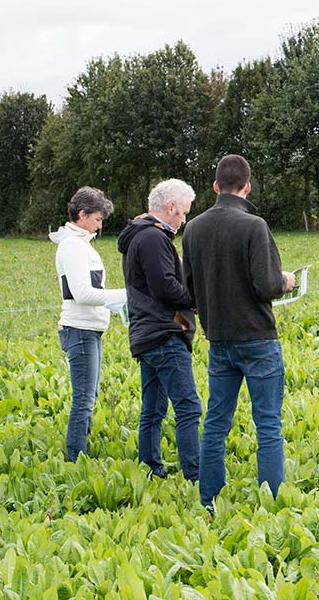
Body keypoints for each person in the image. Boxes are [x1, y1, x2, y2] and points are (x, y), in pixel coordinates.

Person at [182, 154, 296, 507]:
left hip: (219, 340)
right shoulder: (254, 226)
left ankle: (209, 499)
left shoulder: (193, 228)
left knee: (216, 421)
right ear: (247, 187)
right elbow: (266, 285)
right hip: (258, 338)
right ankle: (272, 501)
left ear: (215, 186)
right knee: (267, 424)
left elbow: (188, 290)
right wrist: (286, 281)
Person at [117, 179, 201, 481]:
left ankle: (150, 468)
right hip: (164, 333)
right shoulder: (153, 238)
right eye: (183, 214)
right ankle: (195, 474)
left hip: (146, 334)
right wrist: (195, 302)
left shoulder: (138, 236)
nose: (184, 221)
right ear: (170, 207)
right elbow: (164, 285)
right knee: (189, 407)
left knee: (152, 409)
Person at [50, 186, 127, 461]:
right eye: (97, 219)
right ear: (81, 215)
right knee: (83, 399)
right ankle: (76, 459)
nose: (99, 225)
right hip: (79, 330)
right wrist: (125, 296)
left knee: (88, 396)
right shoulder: (72, 245)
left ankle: (80, 453)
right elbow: (82, 293)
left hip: (89, 329)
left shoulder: (80, 244)